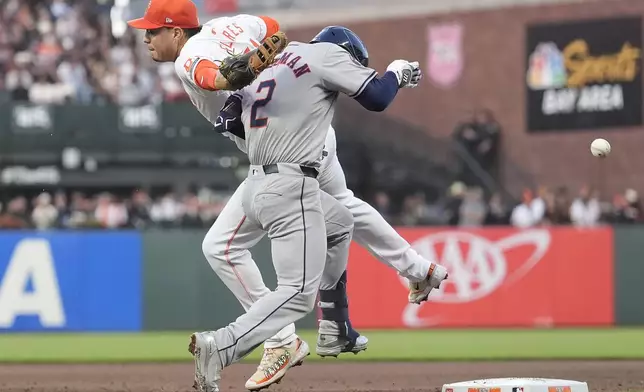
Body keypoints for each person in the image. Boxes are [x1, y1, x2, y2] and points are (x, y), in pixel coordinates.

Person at [127, 2, 448, 389]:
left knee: (333, 225)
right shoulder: (232, 24)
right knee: (232, 243)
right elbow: (271, 25)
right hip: (274, 151)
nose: (145, 37)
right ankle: (311, 329)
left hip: (292, 144)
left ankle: (300, 328)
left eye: (152, 31)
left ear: (177, 32)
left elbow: (214, 77)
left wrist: (240, 72)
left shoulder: (189, 56)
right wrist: (257, 51)